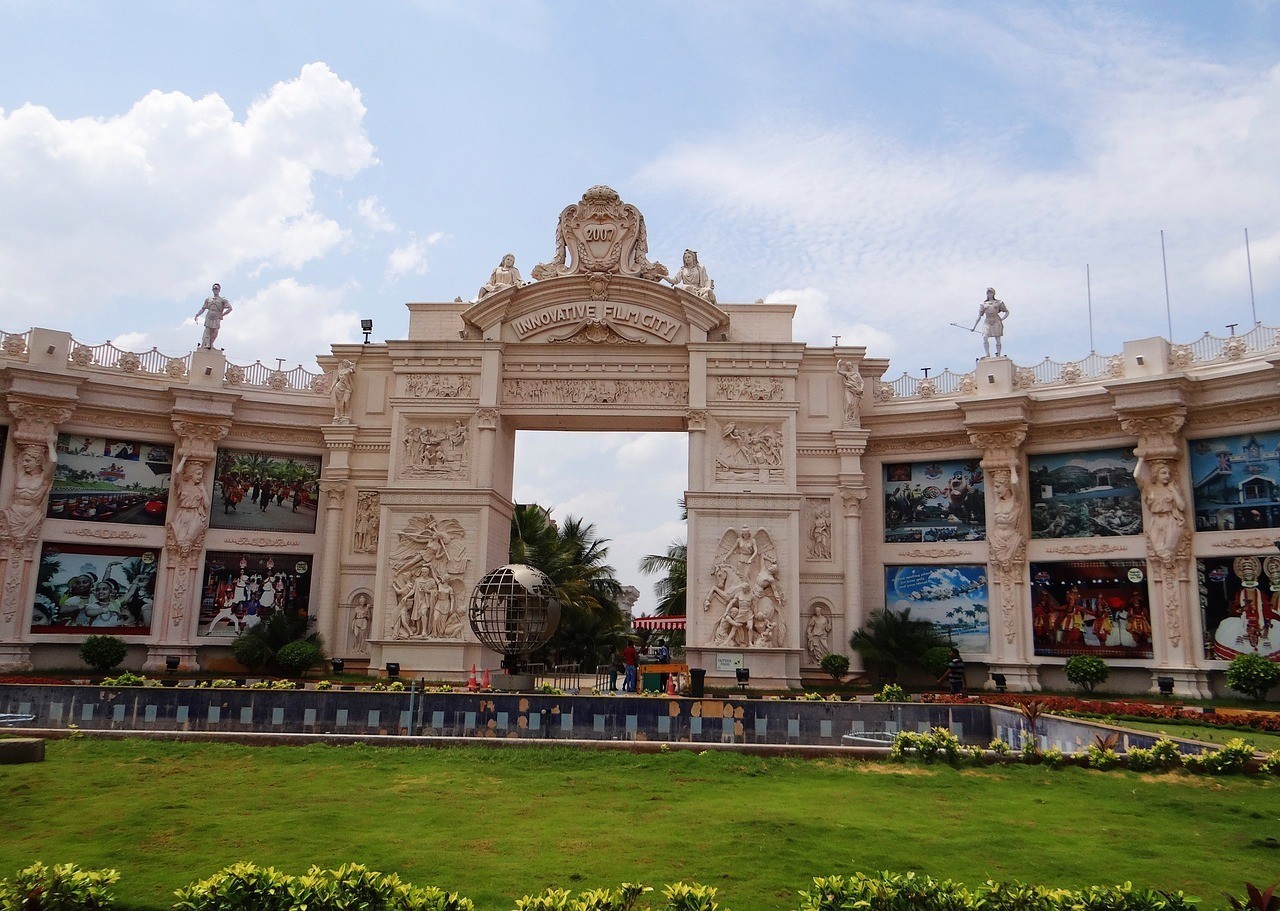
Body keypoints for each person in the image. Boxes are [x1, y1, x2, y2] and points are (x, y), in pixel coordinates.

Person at [195, 283, 233, 349]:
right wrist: (197, 315)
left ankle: (211, 343)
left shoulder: (223, 299)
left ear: (219, 290)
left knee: (215, 330)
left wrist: (222, 315)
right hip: (209, 315)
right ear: (212, 290)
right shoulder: (208, 299)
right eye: (214, 288)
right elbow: (203, 308)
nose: (215, 290)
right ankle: (207, 344)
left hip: (217, 316)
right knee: (208, 329)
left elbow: (230, 308)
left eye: (217, 288)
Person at [972, 287, 1008, 357]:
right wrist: (974, 327)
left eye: (990, 293)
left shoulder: (998, 302)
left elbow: (1007, 312)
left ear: (993, 294)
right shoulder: (983, 304)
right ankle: (987, 354)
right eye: (988, 293)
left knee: (997, 337)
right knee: (985, 336)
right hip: (987, 320)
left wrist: (1002, 319)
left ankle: (998, 354)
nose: (989, 294)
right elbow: (979, 316)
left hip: (996, 320)